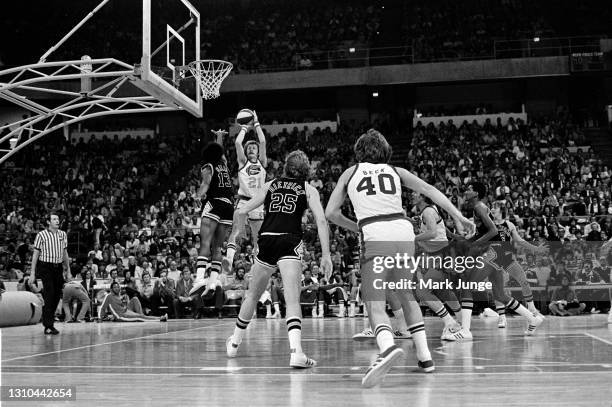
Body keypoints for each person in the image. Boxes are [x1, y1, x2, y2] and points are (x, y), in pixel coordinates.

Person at [325, 129, 475, 387]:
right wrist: (458, 216)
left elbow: (330, 213)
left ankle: (386, 349)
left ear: (359, 151)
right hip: (403, 230)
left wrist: (357, 226)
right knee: (406, 294)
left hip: (374, 231)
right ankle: (425, 356)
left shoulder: (350, 173)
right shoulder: (396, 171)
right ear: (384, 151)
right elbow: (429, 189)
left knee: (375, 300)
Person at [226, 150, 332, 369]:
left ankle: (234, 344)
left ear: (286, 166)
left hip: (266, 239)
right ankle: (297, 353)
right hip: (289, 240)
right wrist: (327, 255)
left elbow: (242, 210)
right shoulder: (308, 189)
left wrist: (242, 232)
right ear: (305, 170)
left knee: (252, 296)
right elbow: (321, 222)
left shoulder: (270, 184)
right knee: (292, 300)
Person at [459, 182, 546, 337]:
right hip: (496, 253)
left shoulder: (480, 208)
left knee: (467, 285)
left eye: (470, 188)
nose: (467, 190)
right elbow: (486, 233)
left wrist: (474, 244)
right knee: (500, 295)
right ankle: (532, 318)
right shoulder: (481, 209)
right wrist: (464, 240)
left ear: (477, 193)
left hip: (494, 253)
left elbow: (493, 232)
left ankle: (465, 331)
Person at [413, 192, 467, 341]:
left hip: (438, 254)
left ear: (423, 197)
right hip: (438, 252)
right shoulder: (431, 209)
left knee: (422, 291)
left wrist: (413, 238)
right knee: (442, 290)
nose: (411, 194)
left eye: (415, 193)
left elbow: (432, 233)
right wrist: (454, 236)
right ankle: (463, 321)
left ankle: (450, 322)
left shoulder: (428, 211)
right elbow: (441, 227)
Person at [224, 110, 267, 270]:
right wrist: (244, 127)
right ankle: (228, 259)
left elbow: (262, 141)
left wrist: (256, 123)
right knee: (236, 229)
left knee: (258, 238)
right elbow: (237, 143)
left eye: (253, 148)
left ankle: (257, 266)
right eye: (249, 148)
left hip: (258, 204)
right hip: (243, 201)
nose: (251, 149)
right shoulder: (242, 162)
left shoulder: (262, 162)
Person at [192, 142, 234, 297]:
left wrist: (197, 196)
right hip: (229, 205)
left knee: (205, 243)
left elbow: (205, 184)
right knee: (217, 248)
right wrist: (219, 139)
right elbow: (221, 153)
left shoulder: (207, 166)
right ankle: (213, 282)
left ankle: (198, 280)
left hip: (215, 202)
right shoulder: (225, 166)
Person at [30, 212, 70, 335]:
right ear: (48, 222)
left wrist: (68, 270)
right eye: (54, 219)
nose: (57, 221)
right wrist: (32, 273)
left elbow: (65, 254)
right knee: (50, 293)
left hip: (58, 267)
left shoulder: (63, 234)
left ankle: (48, 318)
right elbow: (35, 254)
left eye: (58, 219)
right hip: (45, 267)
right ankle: (48, 325)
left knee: (57, 295)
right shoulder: (41, 235)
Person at [98, 281, 167, 322]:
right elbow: (102, 308)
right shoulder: (109, 296)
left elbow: (122, 306)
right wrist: (99, 318)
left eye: (118, 287)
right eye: (115, 287)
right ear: (111, 289)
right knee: (139, 317)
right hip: (121, 316)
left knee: (135, 299)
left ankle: (142, 315)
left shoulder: (119, 295)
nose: (117, 288)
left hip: (126, 310)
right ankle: (160, 319)